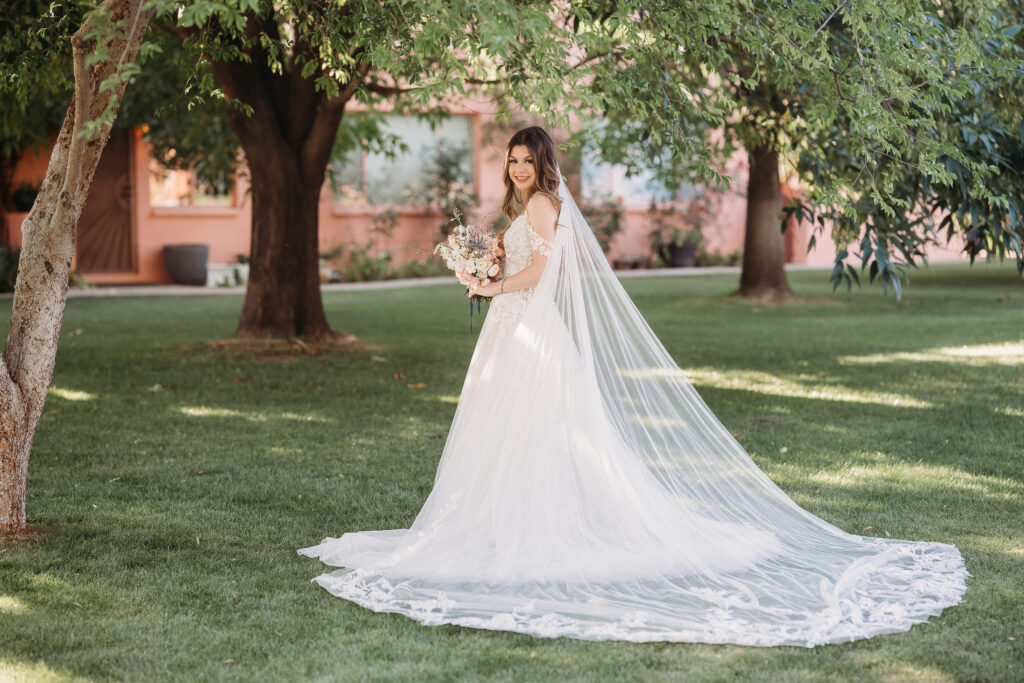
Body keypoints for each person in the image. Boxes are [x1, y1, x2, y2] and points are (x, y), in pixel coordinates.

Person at [298, 126, 967, 646]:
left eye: (528, 160)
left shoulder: (542, 206)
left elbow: (539, 277)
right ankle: (504, 522)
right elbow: (525, 259)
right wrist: (494, 257)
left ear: (544, 164)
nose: (518, 168)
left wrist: (488, 281)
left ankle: (530, 528)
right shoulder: (531, 205)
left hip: (526, 327)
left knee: (529, 431)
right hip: (515, 332)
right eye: (512, 160)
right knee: (510, 434)